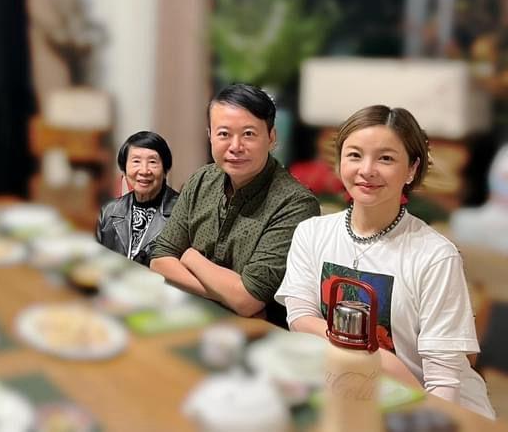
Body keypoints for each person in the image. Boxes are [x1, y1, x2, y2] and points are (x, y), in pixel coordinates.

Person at [275, 105, 495, 419]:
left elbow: (444, 384)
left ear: (411, 170)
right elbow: (299, 318)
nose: (367, 170)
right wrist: (375, 358)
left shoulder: (436, 256)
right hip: (351, 390)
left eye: (386, 158)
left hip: (431, 409)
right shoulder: (311, 233)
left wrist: (387, 368)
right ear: (339, 162)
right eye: (355, 155)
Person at [149, 84, 320, 322]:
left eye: (248, 134)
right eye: (224, 134)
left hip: (258, 333)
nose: (235, 147)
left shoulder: (295, 204)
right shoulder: (201, 180)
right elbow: (160, 259)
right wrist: (227, 295)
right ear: (210, 136)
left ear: (271, 137)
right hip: (192, 316)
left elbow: (249, 299)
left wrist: (189, 257)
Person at [96, 131, 179, 265]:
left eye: (152, 162)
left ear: (165, 170)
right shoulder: (109, 211)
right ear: (124, 170)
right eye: (136, 161)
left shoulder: (182, 212)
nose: (144, 171)